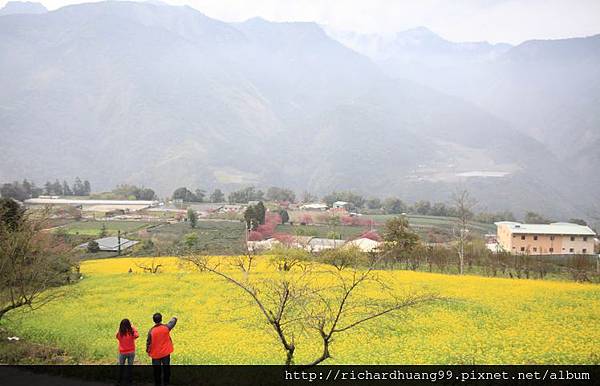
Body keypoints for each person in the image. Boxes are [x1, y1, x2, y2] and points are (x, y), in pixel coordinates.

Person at [147, 313, 177, 386]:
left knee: (157, 371)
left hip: (155, 354)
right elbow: (172, 323)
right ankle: (166, 383)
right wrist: (175, 317)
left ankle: (158, 383)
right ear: (161, 319)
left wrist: (148, 351)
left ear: (153, 320)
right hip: (166, 353)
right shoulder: (166, 327)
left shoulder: (151, 331)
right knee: (166, 369)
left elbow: (148, 342)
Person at [116, 318, 139, 385]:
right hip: (131, 352)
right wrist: (133, 328)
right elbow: (137, 335)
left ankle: (119, 381)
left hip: (122, 353)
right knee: (130, 367)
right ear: (129, 325)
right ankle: (129, 381)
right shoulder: (131, 332)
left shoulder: (120, 333)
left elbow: (117, 337)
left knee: (121, 367)